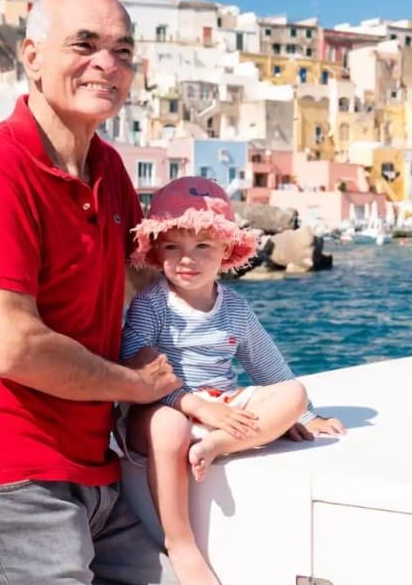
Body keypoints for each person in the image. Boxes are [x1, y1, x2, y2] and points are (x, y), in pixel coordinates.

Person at [0, 0, 181, 585]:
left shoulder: (107, 168)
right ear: (32, 57)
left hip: (92, 474)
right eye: (85, 44)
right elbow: (12, 345)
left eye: (123, 51)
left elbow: (139, 284)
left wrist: (229, 384)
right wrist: (136, 384)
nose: (108, 63)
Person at [120, 176, 345, 585]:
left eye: (202, 246)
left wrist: (307, 416)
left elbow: (267, 365)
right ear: (156, 252)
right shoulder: (150, 306)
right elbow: (135, 365)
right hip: (162, 408)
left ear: (225, 250)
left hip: (220, 407)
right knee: (168, 426)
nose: (187, 259)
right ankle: (182, 544)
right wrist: (194, 405)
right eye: (173, 246)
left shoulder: (235, 310)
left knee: (292, 393)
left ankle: (220, 444)